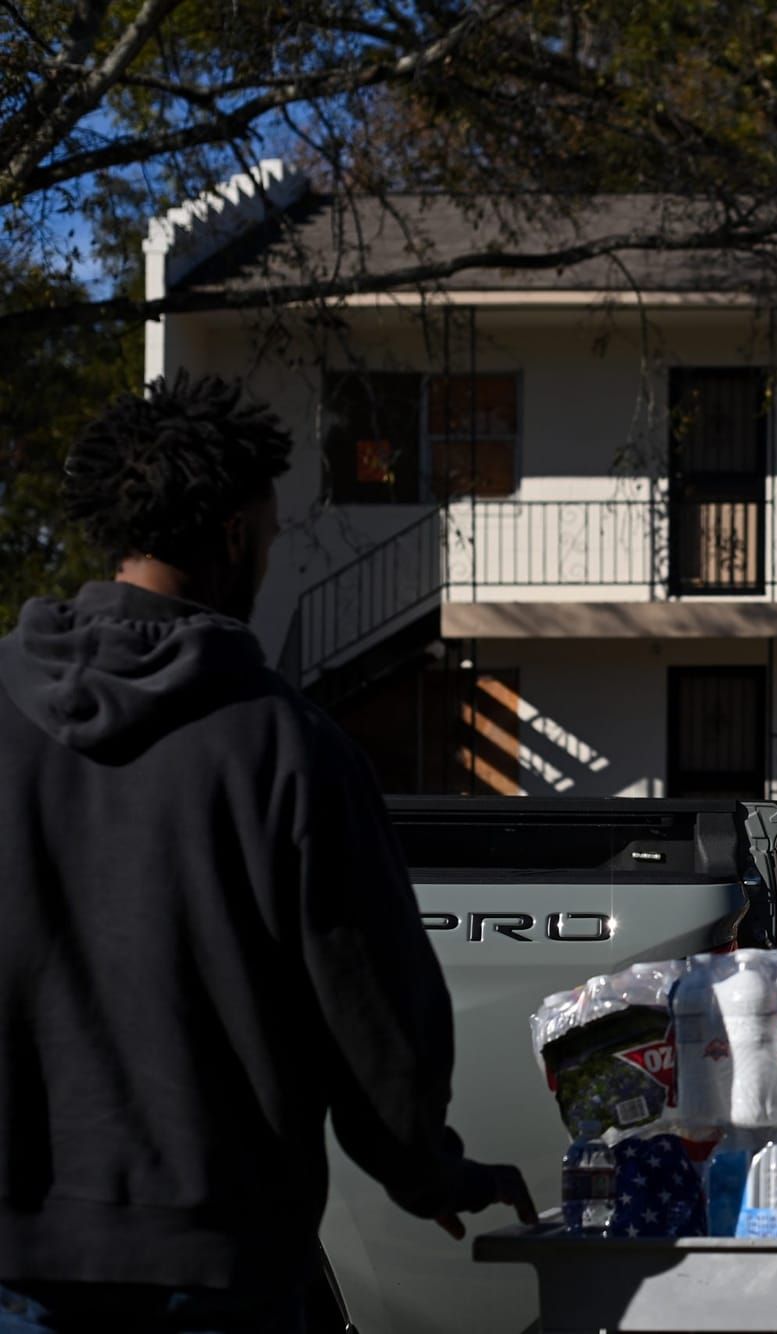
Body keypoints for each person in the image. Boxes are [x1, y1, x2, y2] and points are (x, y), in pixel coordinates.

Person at [0, 374, 533, 1332]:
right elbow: (372, 1007)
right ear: (237, 531)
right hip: (219, 1257)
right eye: (276, 532)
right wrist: (426, 1169)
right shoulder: (288, 744)